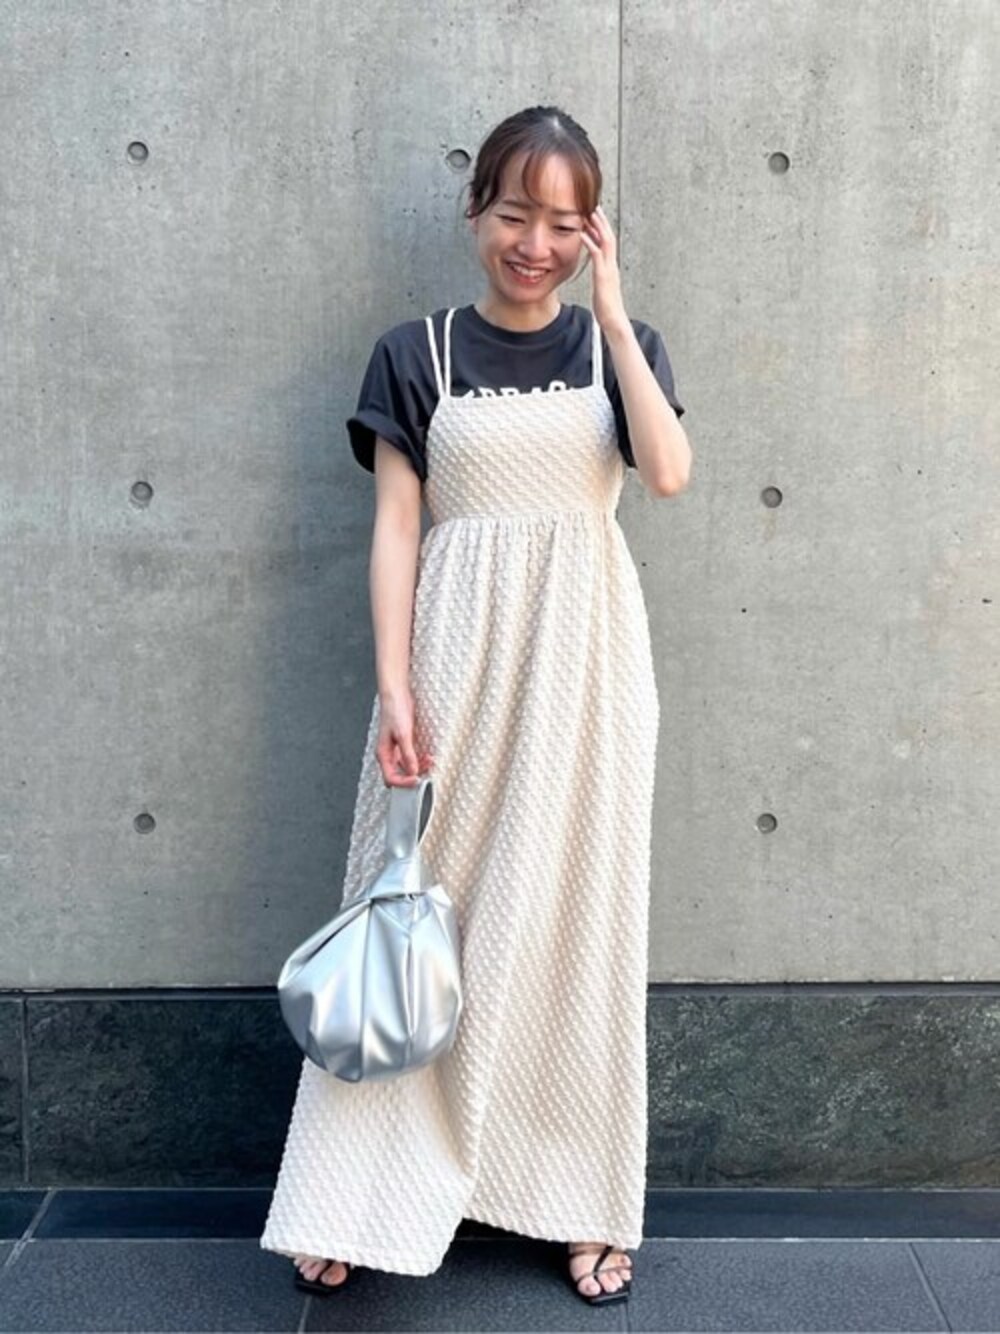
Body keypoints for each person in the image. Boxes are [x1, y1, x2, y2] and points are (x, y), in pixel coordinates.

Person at [259, 104, 691, 1307]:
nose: (533, 244)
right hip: (449, 666)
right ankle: (351, 1196)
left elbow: (665, 473)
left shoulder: (619, 345)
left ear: (590, 232)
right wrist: (396, 684)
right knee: (406, 919)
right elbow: (398, 526)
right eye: (513, 214)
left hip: (586, 671)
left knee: (577, 920)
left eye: (561, 223)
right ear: (475, 212)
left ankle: (582, 1197)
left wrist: (614, 317)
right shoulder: (417, 354)